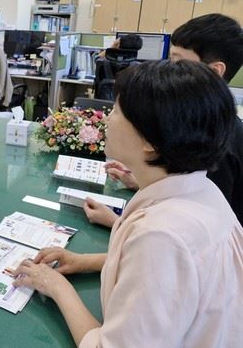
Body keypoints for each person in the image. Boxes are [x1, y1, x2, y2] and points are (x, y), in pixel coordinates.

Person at [13, 60, 243, 347]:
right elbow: (171, 278)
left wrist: (56, 287)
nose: (108, 118)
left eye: (118, 111)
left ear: (149, 139)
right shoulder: (203, 190)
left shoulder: (161, 236)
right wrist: (85, 262)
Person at [87, 13, 243, 227]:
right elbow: (185, 190)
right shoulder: (200, 122)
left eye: (178, 62)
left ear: (215, 71)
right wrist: (143, 181)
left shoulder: (214, 140)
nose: (169, 69)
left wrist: (118, 224)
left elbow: (195, 231)